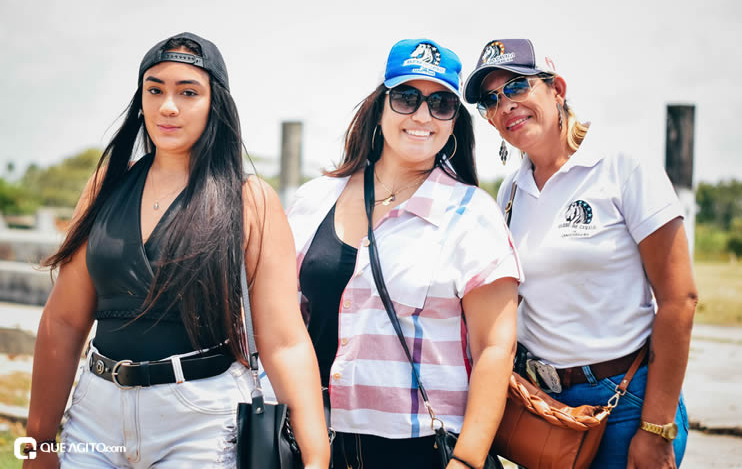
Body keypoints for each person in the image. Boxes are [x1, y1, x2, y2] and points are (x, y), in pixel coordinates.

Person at [24, 32, 330, 468]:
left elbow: (283, 341)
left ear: (214, 104)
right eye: (155, 90)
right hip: (95, 417)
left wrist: (316, 457)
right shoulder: (105, 188)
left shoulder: (249, 200)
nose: (168, 106)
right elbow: (64, 320)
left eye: (188, 92)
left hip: (199, 424)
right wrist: (39, 442)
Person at [287, 38, 521, 469]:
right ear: (380, 108)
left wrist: (467, 461)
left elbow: (495, 348)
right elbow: (284, 326)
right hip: (315, 442)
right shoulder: (314, 199)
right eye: (406, 98)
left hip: (421, 448)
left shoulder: (472, 214)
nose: (422, 116)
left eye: (440, 104)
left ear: (454, 122)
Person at [463, 39, 696, 469]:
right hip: (548, 408)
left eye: (517, 86)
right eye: (490, 100)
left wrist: (657, 427)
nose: (505, 105)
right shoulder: (511, 191)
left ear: (557, 89)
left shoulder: (622, 166)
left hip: (625, 400)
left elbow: (679, 299)